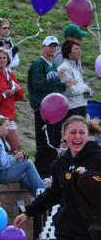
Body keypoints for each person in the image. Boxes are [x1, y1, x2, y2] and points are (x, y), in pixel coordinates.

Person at [28, 36, 67, 178]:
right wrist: (56, 78)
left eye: (55, 46)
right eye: (50, 45)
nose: (53, 48)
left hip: (54, 111)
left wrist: (63, 85)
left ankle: (51, 172)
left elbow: (54, 86)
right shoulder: (38, 64)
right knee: (45, 142)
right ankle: (41, 173)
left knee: (54, 141)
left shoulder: (52, 64)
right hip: (43, 109)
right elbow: (39, 85)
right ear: (43, 47)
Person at [0, 48, 24, 151]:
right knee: (16, 147)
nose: (2, 60)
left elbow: (20, 97)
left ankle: (8, 165)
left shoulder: (9, 75)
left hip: (9, 116)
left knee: (10, 148)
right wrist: (4, 95)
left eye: (4, 57)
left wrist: (17, 90)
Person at [0, 115, 43, 195]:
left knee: (23, 175)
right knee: (28, 164)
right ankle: (43, 195)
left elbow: (1, 159)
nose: (9, 128)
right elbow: (2, 164)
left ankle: (39, 199)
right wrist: (15, 157)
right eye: (7, 125)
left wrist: (15, 157)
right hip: (0, 175)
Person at [58, 41, 92, 119]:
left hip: (81, 106)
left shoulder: (74, 67)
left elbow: (79, 90)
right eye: (76, 49)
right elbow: (71, 91)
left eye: (79, 48)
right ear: (69, 53)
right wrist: (85, 87)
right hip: (73, 108)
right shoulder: (65, 68)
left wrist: (88, 93)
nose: (79, 51)